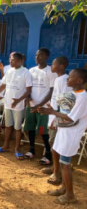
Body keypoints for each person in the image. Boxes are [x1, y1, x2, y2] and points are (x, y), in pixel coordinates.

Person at [39, 68, 87, 205]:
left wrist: (52, 112)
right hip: (64, 131)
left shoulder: (83, 97)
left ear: (79, 81)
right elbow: (65, 111)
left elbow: (71, 118)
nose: (67, 78)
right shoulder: (73, 93)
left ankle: (70, 195)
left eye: (70, 77)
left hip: (71, 135)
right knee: (61, 161)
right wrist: (55, 117)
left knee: (65, 164)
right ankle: (63, 189)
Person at [0, 52, 32, 159]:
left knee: (17, 128)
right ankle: (6, 146)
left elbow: (28, 91)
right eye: (10, 59)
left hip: (18, 105)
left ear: (19, 61)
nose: (10, 61)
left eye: (12, 60)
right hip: (8, 104)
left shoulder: (26, 73)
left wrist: (18, 100)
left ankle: (17, 149)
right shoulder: (9, 71)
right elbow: (3, 85)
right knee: (8, 126)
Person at [41, 56, 72, 185]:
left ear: (61, 66)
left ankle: (57, 172)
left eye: (53, 64)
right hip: (53, 115)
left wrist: (57, 119)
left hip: (58, 118)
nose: (51, 66)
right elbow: (57, 100)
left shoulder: (64, 80)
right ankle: (55, 167)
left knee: (55, 145)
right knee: (52, 142)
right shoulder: (58, 79)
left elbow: (66, 103)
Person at [24, 48, 57, 165]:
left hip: (43, 108)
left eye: (40, 55)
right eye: (36, 55)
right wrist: (27, 97)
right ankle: (31, 149)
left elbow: (52, 91)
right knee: (31, 128)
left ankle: (48, 154)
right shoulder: (31, 70)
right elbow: (28, 87)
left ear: (46, 57)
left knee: (43, 131)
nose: (37, 57)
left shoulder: (51, 72)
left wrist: (40, 104)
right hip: (32, 106)